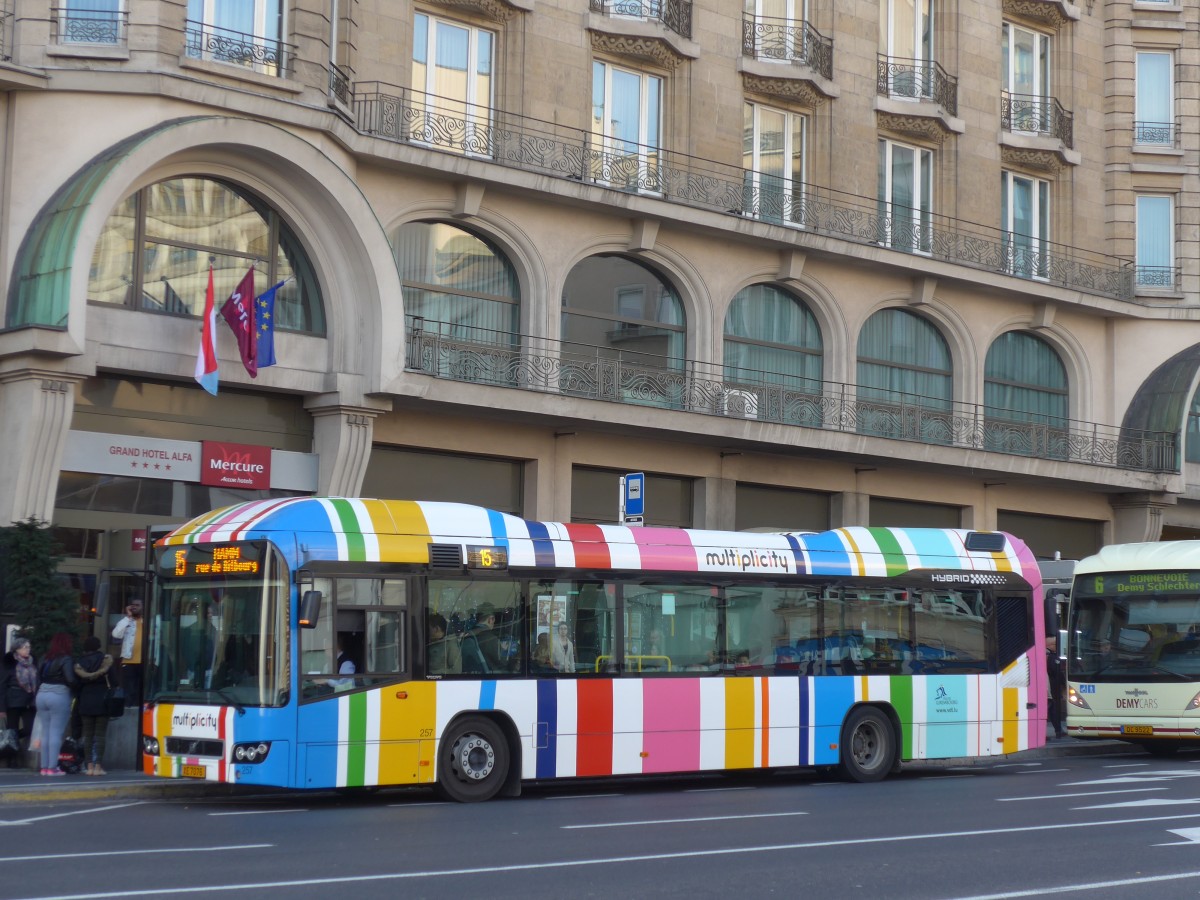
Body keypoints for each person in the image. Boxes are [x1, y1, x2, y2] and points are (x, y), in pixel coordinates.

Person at [34, 632, 77, 776]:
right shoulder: (66, 659)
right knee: (56, 733)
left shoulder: (44, 658)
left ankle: (44, 767)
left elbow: (37, 678)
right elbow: (70, 679)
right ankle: (53, 768)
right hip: (59, 695)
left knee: (45, 733)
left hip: (41, 695)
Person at [73, 636, 114, 776]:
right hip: (102, 700)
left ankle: (89, 766)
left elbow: (76, 684)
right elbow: (114, 681)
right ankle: (98, 767)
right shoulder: (105, 660)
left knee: (88, 735)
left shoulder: (80, 663)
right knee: (100, 735)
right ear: (98, 646)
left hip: (85, 701)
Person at [2, 638, 38, 768]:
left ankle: (15, 741)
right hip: (13, 700)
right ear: (16, 649)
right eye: (24, 647)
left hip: (29, 701)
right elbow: (2, 684)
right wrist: (2, 707)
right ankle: (12, 760)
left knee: (29, 729)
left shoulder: (33, 663)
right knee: (12, 730)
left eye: (28, 647)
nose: (27, 650)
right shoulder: (9, 663)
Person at [112, 601, 143, 707]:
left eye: (137, 605)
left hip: (145, 661)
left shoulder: (148, 620)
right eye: (132, 605)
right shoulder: (127, 621)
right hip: (129, 660)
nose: (134, 607)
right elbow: (116, 634)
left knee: (142, 689)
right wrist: (128, 617)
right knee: (129, 689)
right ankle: (129, 710)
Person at [471, 603, 503, 671]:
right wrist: (503, 650)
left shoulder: (468, 635)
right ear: (491, 619)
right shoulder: (491, 639)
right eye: (494, 619)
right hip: (490, 677)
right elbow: (502, 662)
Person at [1047, 635, 1066, 739]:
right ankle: (1058, 730)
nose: (1057, 646)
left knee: (1052, 709)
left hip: (1050, 688)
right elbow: (1056, 672)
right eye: (1055, 644)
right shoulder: (1052, 657)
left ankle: (1058, 730)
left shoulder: (1047, 655)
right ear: (1050, 645)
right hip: (1052, 688)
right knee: (1052, 709)